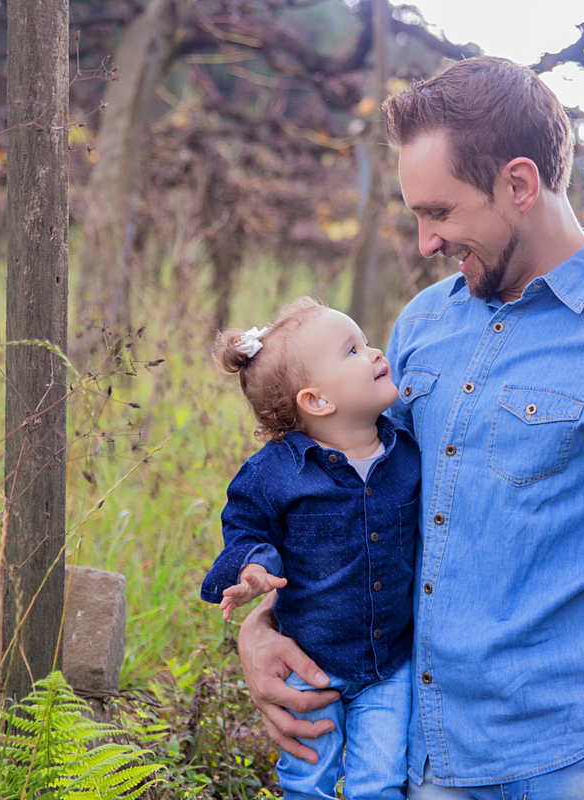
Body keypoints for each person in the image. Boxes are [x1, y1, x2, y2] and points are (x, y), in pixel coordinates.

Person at [238, 56, 584, 800]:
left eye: (440, 213)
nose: (426, 242)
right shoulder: (423, 324)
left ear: (519, 184)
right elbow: (358, 505)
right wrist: (264, 628)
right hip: (431, 758)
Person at [200, 296, 420, 800]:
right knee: (307, 780)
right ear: (317, 401)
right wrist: (254, 569)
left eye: (365, 341)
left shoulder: (407, 451)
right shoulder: (275, 473)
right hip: (309, 660)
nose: (376, 352)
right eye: (352, 350)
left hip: (390, 664)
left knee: (382, 783)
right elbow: (247, 527)